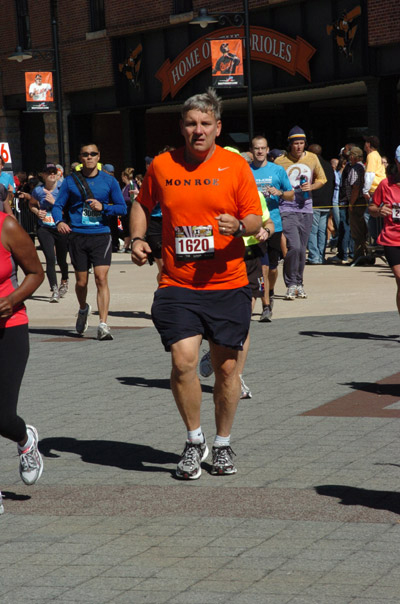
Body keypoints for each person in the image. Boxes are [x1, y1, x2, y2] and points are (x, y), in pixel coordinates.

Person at [130, 88, 262, 479]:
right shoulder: (162, 165)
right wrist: (138, 238)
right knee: (183, 362)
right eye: (191, 123)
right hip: (177, 283)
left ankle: (222, 443)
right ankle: (194, 440)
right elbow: (142, 203)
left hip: (228, 282)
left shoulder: (235, 167)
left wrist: (239, 226)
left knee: (226, 370)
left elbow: (254, 218)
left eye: (206, 123)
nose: (198, 130)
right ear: (182, 127)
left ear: (218, 127)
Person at [53, 143, 127, 340]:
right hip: (78, 235)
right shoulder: (70, 181)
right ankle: (83, 308)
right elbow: (57, 205)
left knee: (101, 278)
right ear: (81, 157)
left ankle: (103, 324)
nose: (89, 157)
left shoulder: (109, 182)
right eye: (85, 154)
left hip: (101, 235)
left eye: (93, 154)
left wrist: (103, 207)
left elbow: (122, 208)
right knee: (81, 281)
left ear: (99, 156)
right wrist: (59, 221)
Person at [0, 211, 45, 514]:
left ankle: (24, 438)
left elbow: (36, 272)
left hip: (9, 327)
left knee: (1, 416)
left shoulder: (7, 226)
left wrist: (12, 300)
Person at [275, 126, 326, 299]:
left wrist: (311, 186)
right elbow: (274, 182)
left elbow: (322, 179)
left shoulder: (312, 158)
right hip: (287, 208)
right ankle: (290, 284)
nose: (298, 147)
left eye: (301, 143)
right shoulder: (280, 161)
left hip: (306, 207)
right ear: (290, 145)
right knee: (294, 247)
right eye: (295, 143)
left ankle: (299, 283)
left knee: (302, 249)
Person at [249, 135, 293, 321]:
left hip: (273, 223)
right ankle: (265, 305)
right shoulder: (245, 170)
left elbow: (291, 194)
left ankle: (271, 289)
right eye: (256, 148)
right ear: (252, 151)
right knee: (262, 268)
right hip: (254, 226)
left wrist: (280, 192)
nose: (260, 151)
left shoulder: (277, 170)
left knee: (273, 269)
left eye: (263, 148)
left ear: (268, 150)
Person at [26, 163, 69, 302]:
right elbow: (31, 204)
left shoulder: (63, 189)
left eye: (54, 172)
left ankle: (64, 281)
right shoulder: (38, 191)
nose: (51, 174)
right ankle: (54, 289)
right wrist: (37, 212)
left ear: (58, 174)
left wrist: (55, 202)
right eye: (48, 172)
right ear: (43, 175)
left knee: (62, 259)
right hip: (44, 228)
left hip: (61, 227)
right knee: (50, 258)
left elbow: (69, 210)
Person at [369, 145, 400, 314]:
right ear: (397, 162)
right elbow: (371, 208)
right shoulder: (386, 184)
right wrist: (379, 210)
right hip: (392, 239)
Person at [306, 144, 335, 265]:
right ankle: (321, 256)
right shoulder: (328, 166)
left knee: (312, 231)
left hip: (315, 202)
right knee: (322, 231)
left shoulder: (312, 165)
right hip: (326, 203)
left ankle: (314, 256)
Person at [363, 135, 386, 244]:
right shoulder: (377, 155)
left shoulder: (371, 155)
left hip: (375, 189)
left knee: (369, 215)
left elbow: (370, 174)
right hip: (380, 188)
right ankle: (379, 240)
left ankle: (377, 241)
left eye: (365, 142)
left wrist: (365, 190)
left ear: (368, 144)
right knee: (377, 217)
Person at [347, 147, 367, 262]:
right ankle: (361, 253)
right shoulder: (362, 166)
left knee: (357, 230)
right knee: (361, 229)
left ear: (354, 156)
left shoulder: (355, 168)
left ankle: (358, 255)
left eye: (351, 155)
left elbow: (355, 187)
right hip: (360, 201)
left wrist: (351, 203)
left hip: (357, 202)